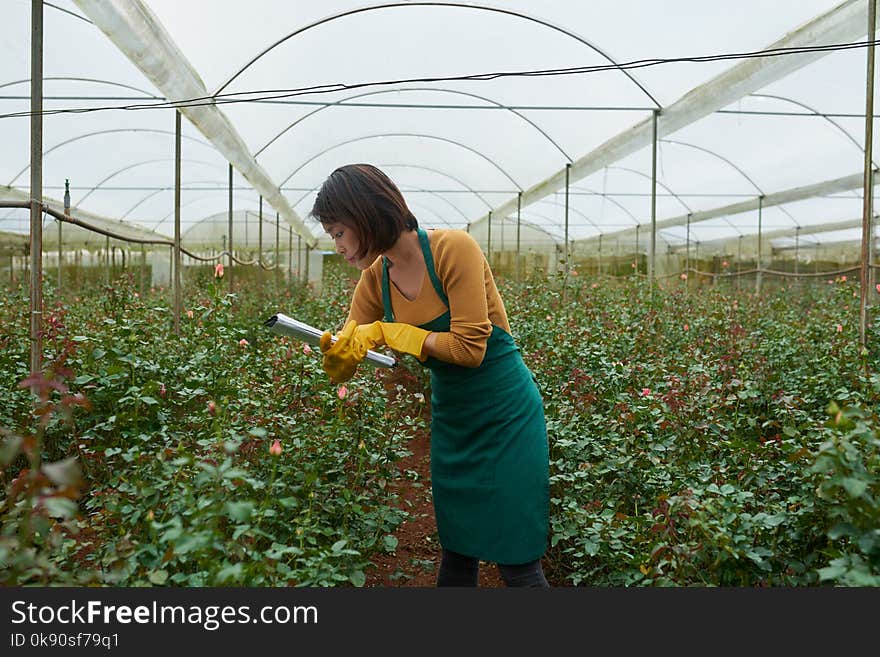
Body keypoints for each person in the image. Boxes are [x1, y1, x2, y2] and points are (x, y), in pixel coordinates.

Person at [311, 163, 550, 587]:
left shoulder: (452, 250)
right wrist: (339, 356)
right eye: (333, 237)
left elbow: (469, 350)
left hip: (506, 415)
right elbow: (352, 342)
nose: (339, 247)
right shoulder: (374, 281)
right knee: (458, 551)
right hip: (454, 421)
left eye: (339, 233)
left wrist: (392, 331)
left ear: (366, 215)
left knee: (518, 563)